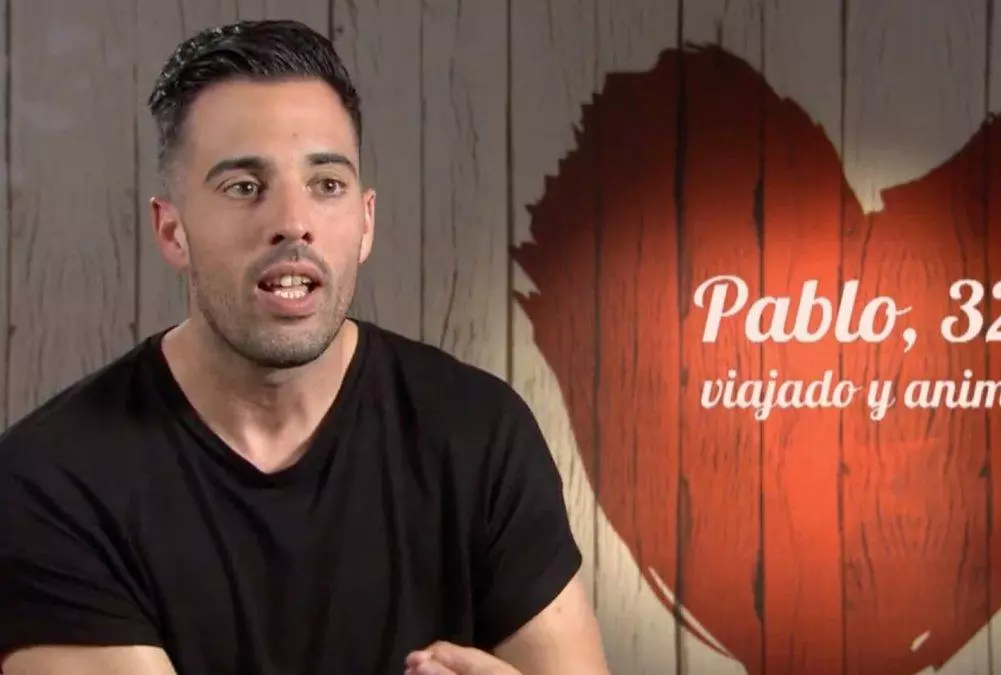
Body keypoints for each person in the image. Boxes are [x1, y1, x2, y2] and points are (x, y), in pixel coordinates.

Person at [0, 19, 609, 675]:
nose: (293, 223)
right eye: (243, 187)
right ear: (173, 231)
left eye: (326, 184)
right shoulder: (51, 479)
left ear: (365, 222)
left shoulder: (479, 433)